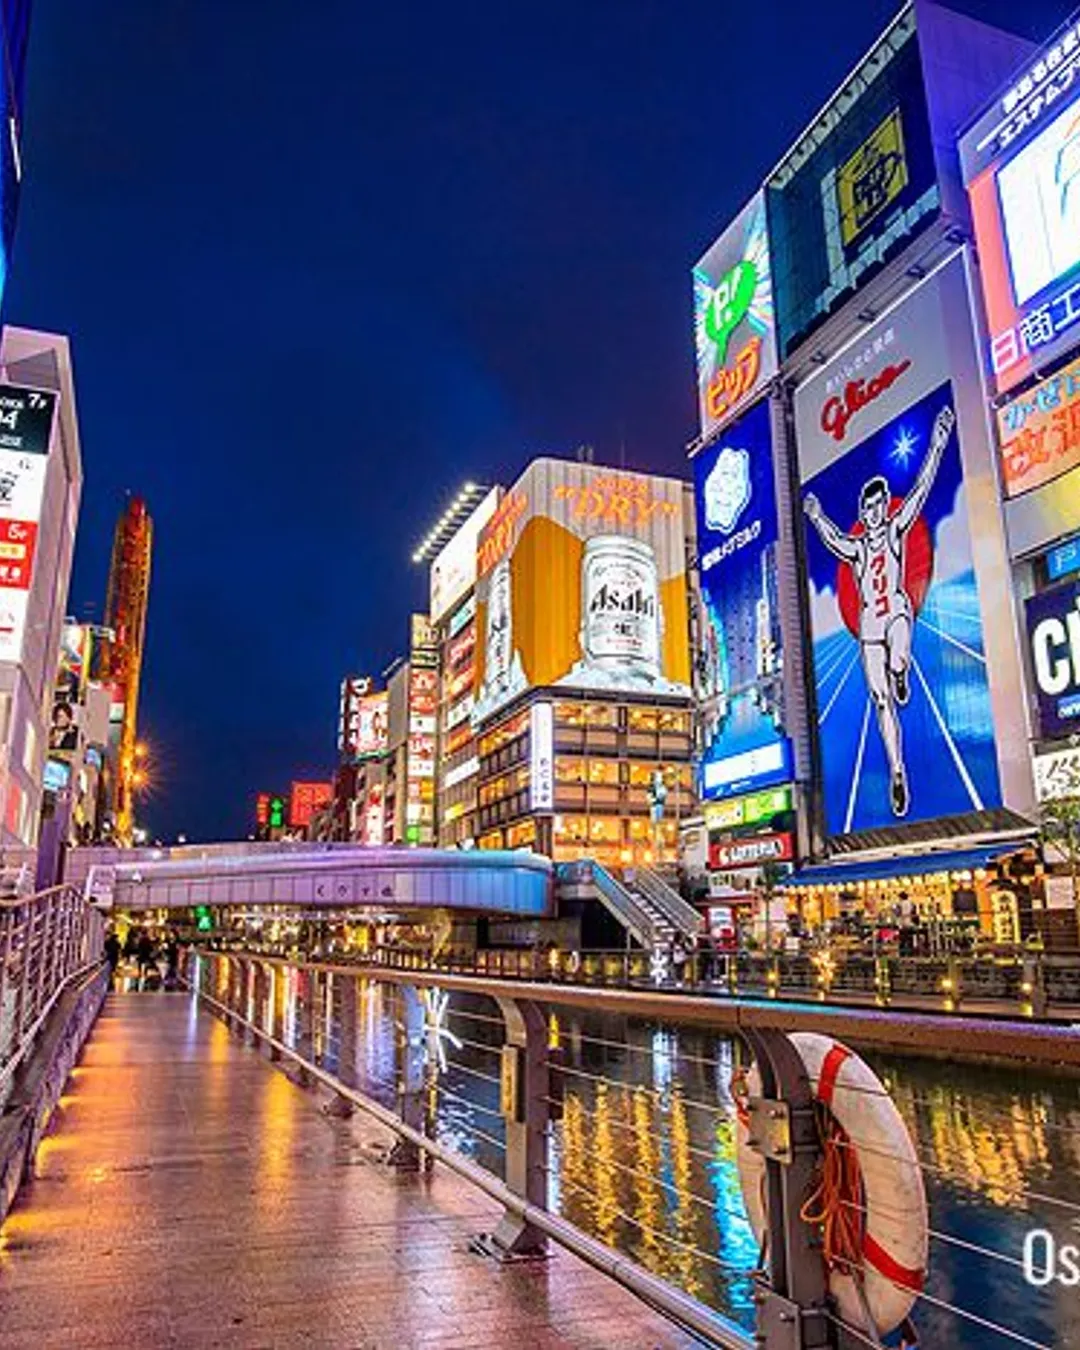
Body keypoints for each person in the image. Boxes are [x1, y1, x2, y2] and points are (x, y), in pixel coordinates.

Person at [803, 404, 954, 818]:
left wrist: (938, 444)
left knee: (900, 656)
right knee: (880, 699)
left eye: (877, 507)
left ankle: (901, 670)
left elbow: (922, 489)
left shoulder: (893, 530)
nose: (872, 515)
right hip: (870, 625)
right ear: (862, 511)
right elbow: (834, 538)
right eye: (867, 510)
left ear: (884, 506)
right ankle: (898, 771)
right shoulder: (856, 548)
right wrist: (815, 518)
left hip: (897, 612)